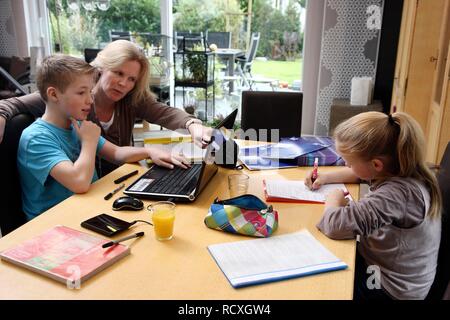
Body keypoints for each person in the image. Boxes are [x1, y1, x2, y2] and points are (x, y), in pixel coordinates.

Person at [0, 39, 211, 176]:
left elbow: (163, 112)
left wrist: (192, 124)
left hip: (118, 183)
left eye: (131, 79)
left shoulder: (129, 99)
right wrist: (1, 115)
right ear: (101, 67)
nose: (124, 84)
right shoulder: (71, 98)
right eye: (118, 73)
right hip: (86, 190)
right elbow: (14, 103)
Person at [18, 54, 188, 221]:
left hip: (87, 210)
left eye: (90, 92)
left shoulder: (75, 125)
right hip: (54, 225)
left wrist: (149, 151)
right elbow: (79, 182)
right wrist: (89, 141)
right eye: (81, 93)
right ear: (54, 95)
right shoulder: (36, 138)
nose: (90, 100)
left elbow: (116, 152)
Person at [304, 111, 442, 300]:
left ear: (376, 164)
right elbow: (360, 172)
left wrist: (333, 200)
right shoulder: (401, 171)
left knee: (315, 279)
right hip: (390, 274)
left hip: (387, 289)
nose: (346, 165)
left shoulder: (397, 194)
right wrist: (326, 177)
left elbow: (334, 225)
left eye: (349, 162)